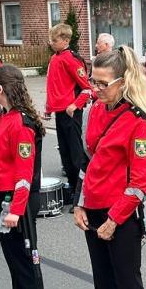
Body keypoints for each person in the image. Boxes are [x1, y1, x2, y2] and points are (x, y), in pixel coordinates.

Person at [74, 45, 146, 289]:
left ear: (123, 82)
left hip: (120, 215)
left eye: (104, 83)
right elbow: (90, 163)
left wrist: (115, 219)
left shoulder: (138, 122)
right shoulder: (94, 110)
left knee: (128, 287)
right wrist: (80, 203)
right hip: (93, 209)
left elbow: (140, 179)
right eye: (94, 81)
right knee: (103, 284)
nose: (96, 88)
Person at [0, 65, 46, 289]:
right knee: (13, 257)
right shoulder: (3, 117)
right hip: (3, 198)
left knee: (24, 257)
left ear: (1, 88)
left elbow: (24, 172)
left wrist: (16, 209)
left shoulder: (21, 124)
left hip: (16, 200)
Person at [45, 22, 94, 197]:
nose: (51, 42)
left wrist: (75, 105)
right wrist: (48, 107)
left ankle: (81, 192)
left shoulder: (71, 59)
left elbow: (87, 88)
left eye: (54, 39)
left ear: (65, 40)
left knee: (76, 154)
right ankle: (73, 188)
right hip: (60, 112)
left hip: (71, 112)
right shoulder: (55, 58)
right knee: (65, 154)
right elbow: (53, 85)